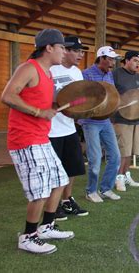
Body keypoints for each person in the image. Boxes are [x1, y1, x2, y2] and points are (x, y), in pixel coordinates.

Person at [1, 28, 74, 254]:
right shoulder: (28, 68)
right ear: (49, 47)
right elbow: (7, 95)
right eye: (62, 47)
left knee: (60, 181)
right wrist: (37, 112)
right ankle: (28, 236)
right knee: (40, 191)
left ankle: (46, 227)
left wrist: (55, 108)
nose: (64, 51)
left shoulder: (49, 73)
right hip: (25, 139)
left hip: (41, 138)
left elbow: (44, 102)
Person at [49, 36, 88, 219]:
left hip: (69, 128)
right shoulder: (50, 68)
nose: (81, 54)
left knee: (71, 168)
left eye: (81, 51)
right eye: (77, 51)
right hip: (50, 130)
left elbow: (78, 100)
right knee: (54, 170)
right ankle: (53, 205)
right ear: (65, 50)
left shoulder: (77, 72)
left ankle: (66, 201)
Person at [80, 46, 121, 202]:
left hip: (105, 121)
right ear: (101, 58)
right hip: (90, 122)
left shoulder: (109, 75)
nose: (112, 63)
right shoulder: (86, 74)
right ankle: (91, 191)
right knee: (95, 158)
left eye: (113, 59)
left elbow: (112, 96)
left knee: (115, 156)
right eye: (110, 59)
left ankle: (106, 189)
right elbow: (81, 99)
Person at [112, 50, 139, 192]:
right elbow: (110, 94)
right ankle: (118, 178)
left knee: (131, 150)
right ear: (127, 60)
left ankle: (125, 175)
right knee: (123, 150)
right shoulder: (116, 74)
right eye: (136, 60)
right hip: (120, 118)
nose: (138, 63)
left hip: (136, 118)